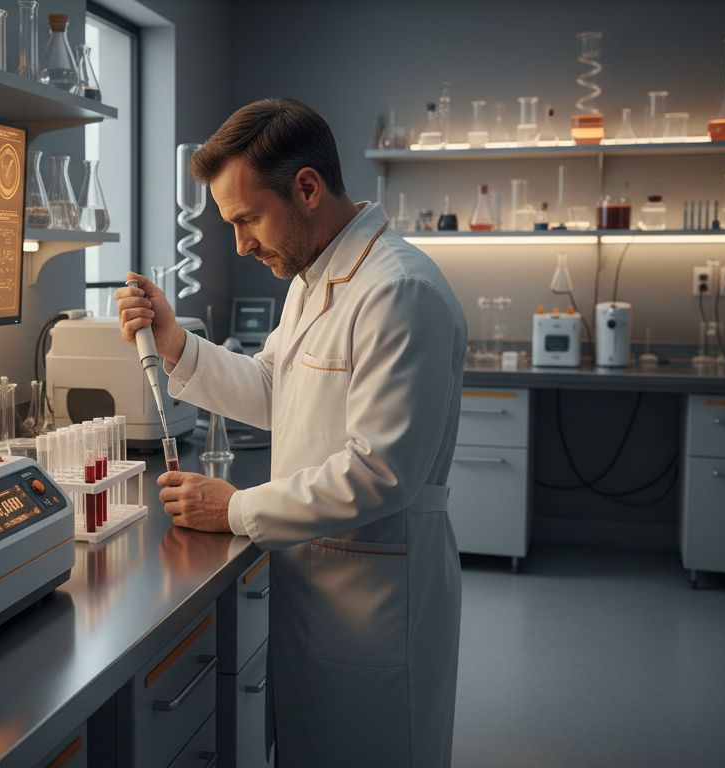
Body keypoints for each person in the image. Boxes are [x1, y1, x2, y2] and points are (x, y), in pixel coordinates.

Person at [115, 98, 467, 767]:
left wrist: (236, 507)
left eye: (247, 219)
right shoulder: (313, 279)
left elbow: (381, 472)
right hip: (320, 583)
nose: (241, 244)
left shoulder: (399, 290)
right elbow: (279, 388)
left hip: (380, 601)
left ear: (306, 188)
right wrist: (173, 341)